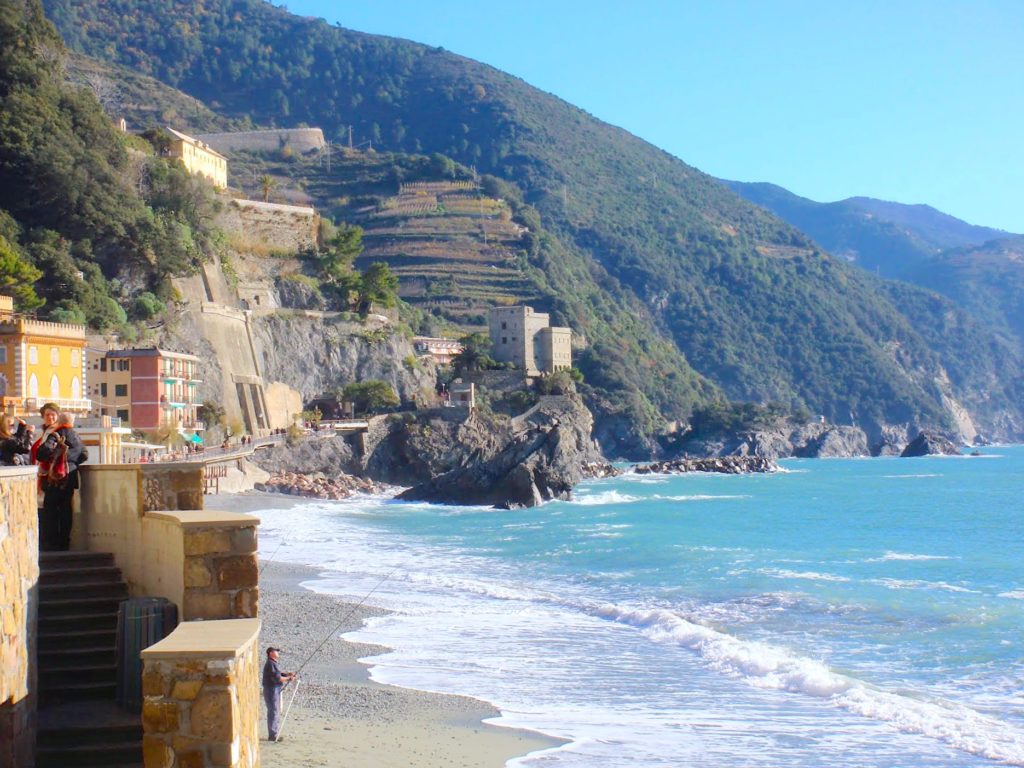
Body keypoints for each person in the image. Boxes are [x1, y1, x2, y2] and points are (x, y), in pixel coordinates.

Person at [32, 403, 87, 551]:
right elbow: (84, 454)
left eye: (53, 415)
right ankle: (64, 543)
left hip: (54, 479)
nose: (50, 417)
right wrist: (70, 464)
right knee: (65, 509)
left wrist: (56, 462)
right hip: (70, 478)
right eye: (47, 414)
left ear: (59, 419)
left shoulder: (55, 434)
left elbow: (41, 454)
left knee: (50, 509)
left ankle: (52, 543)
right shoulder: (75, 435)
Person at [262, 646, 296, 742]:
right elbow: (278, 678)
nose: (278, 653)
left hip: (274, 689)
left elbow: (278, 674)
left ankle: (274, 733)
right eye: (276, 651)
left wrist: (287, 674)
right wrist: (289, 678)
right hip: (271, 690)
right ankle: (273, 735)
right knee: (273, 711)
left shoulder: (272, 663)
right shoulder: (270, 663)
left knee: (275, 711)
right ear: (271, 653)